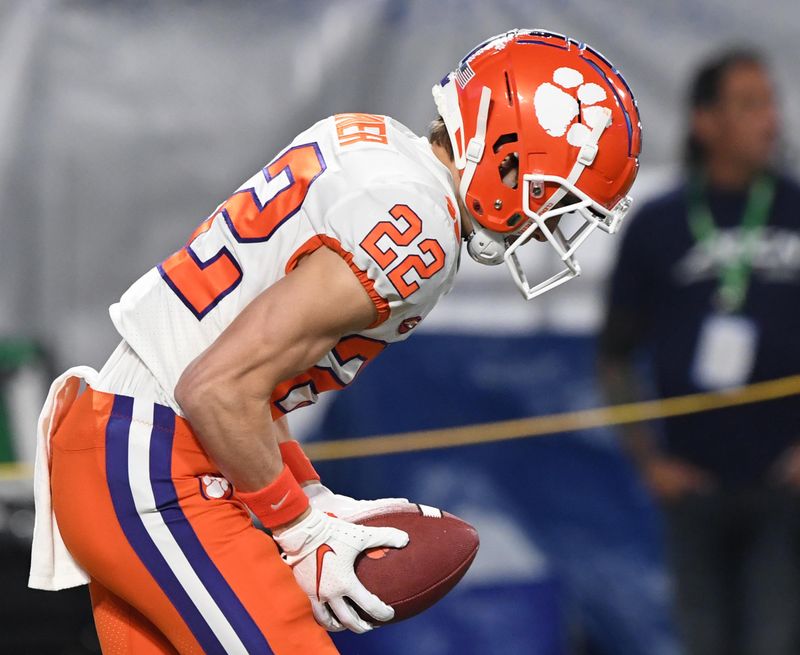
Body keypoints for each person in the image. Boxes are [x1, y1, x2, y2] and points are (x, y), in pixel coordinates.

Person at [29, 30, 641, 654]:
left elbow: (250, 373)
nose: (549, 230)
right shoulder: (417, 226)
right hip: (156, 462)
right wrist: (299, 527)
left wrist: (310, 493)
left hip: (125, 441)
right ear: (507, 161)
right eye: (556, 198)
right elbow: (217, 387)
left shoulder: (371, 142)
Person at [598, 48, 800, 655]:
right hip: (692, 487)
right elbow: (614, 355)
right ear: (705, 123)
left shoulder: (796, 209)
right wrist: (648, 462)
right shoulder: (659, 225)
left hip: (784, 484)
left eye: (771, 103)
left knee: (776, 637)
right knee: (703, 639)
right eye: (749, 105)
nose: (770, 120)